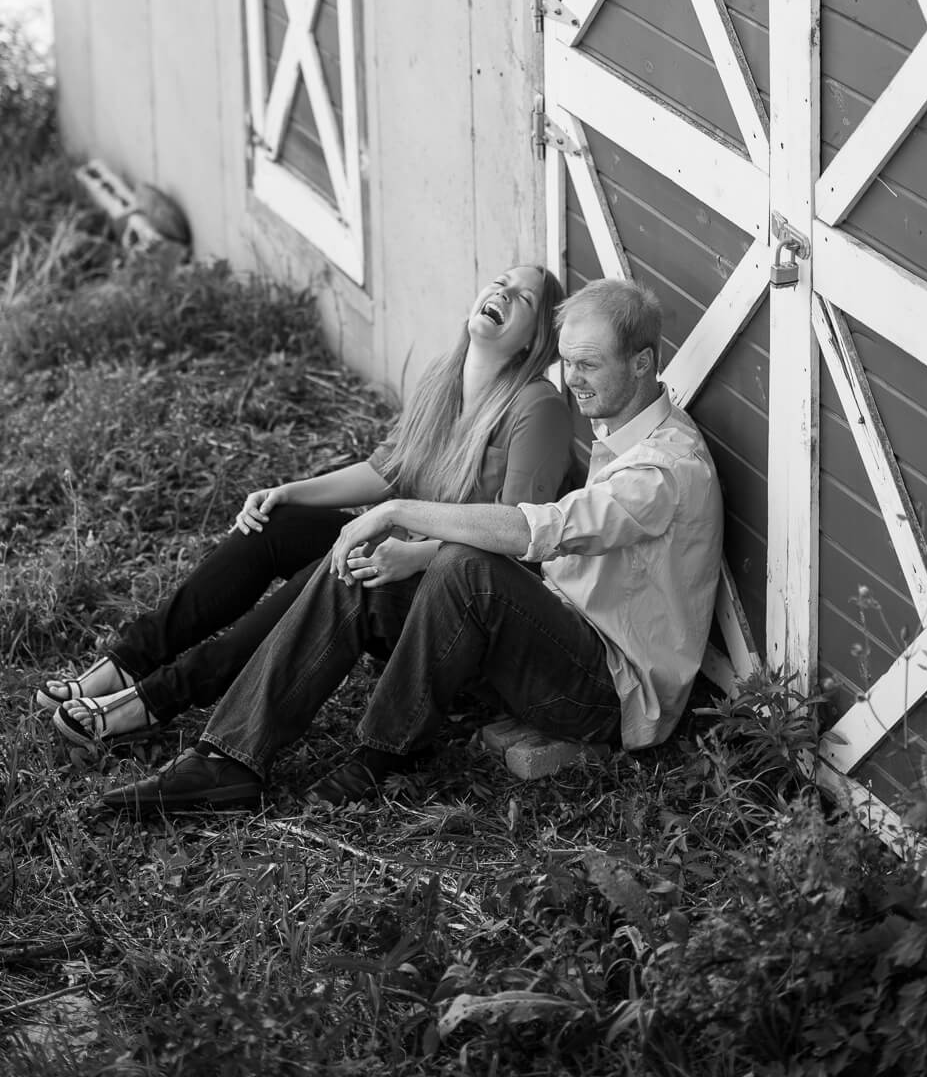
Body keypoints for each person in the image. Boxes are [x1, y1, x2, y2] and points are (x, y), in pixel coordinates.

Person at [98, 278, 724, 815]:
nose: (573, 379)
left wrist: (395, 513)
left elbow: (540, 530)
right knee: (364, 576)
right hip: (547, 642)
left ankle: (382, 756)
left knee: (468, 567)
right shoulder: (621, 432)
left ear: (642, 363)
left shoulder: (663, 470)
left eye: (589, 364)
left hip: (606, 693)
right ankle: (228, 757)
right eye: (568, 361)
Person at [38, 264, 571, 755]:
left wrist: (415, 558)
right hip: (397, 566)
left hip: (450, 611)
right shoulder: (442, 379)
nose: (502, 291)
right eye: (501, 279)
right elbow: (386, 469)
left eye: (522, 295)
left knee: (335, 563)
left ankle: (158, 697)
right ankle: (129, 660)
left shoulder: (537, 408)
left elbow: (518, 539)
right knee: (278, 525)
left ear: (536, 340)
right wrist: (290, 490)